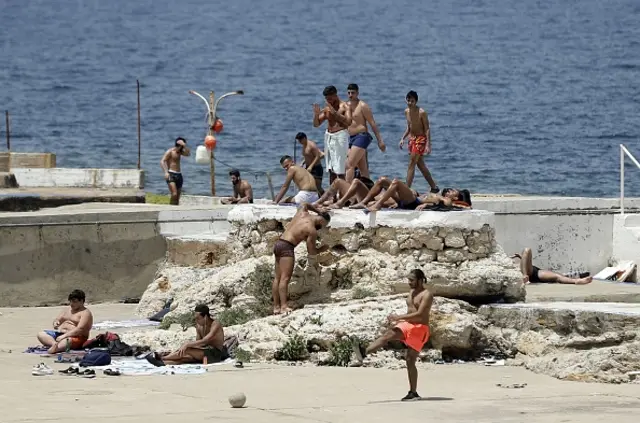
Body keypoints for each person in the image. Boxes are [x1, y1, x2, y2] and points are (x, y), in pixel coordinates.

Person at [351, 269, 434, 401]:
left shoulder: (427, 295)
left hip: (420, 329)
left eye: (412, 280)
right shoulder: (412, 292)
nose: (409, 283)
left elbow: (420, 314)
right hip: (409, 325)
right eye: (408, 280)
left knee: (410, 360)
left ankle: (413, 393)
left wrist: (399, 317)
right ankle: (364, 352)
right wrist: (399, 319)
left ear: (420, 280)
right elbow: (411, 310)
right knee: (389, 334)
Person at [272, 202, 331, 315]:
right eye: (323, 225)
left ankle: (276, 307)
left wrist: (318, 210)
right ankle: (284, 306)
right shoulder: (311, 230)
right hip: (287, 248)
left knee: (277, 278)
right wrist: (322, 249)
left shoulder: (302, 213)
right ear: (322, 221)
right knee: (285, 279)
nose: (321, 228)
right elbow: (311, 251)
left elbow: (305, 203)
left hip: (279, 243)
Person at [146, 304, 228, 366]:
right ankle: (163, 363)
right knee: (184, 357)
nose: (196, 320)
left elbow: (206, 340)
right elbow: (198, 342)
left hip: (215, 353)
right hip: (204, 351)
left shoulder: (215, 324)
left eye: (198, 318)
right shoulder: (199, 326)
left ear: (205, 317)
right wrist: (186, 349)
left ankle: (162, 358)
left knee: (187, 349)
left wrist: (188, 345)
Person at [399, 91, 439, 193]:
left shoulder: (422, 112)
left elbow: (427, 129)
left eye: (412, 101)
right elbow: (409, 127)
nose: (410, 103)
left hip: (421, 139)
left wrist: (428, 145)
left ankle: (406, 189)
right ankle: (434, 187)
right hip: (412, 139)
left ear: (416, 101)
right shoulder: (406, 112)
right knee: (420, 165)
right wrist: (403, 138)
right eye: (408, 100)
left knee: (412, 163)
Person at [346, 83, 386, 182]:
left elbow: (372, 123)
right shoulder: (346, 106)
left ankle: (346, 191)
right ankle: (368, 191)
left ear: (357, 93)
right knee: (363, 168)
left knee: (349, 165)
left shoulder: (363, 106)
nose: (351, 95)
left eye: (353, 93)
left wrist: (380, 141)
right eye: (349, 93)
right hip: (351, 138)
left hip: (362, 136)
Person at [313, 85, 352, 184]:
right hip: (329, 137)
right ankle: (334, 196)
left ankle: (343, 195)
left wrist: (334, 112)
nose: (328, 100)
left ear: (335, 95)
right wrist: (316, 114)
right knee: (331, 169)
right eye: (326, 99)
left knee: (340, 169)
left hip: (340, 136)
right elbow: (316, 124)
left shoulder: (345, 106)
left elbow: (349, 122)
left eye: (330, 98)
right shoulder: (327, 108)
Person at [36, 289, 93, 354]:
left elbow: (80, 329)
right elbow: (57, 319)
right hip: (61, 334)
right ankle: (54, 344)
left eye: (74, 301)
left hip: (76, 337)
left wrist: (64, 336)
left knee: (67, 341)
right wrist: (56, 323)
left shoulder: (85, 313)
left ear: (81, 301)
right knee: (41, 334)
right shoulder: (67, 309)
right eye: (70, 301)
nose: (71, 304)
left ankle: (56, 348)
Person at [512, 248, 593, 285]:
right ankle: (576, 280)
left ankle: (575, 278)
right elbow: (527, 251)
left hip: (533, 271)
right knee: (526, 250)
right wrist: (525, 274)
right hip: (530, 273)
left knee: (558, 276)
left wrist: (520, 258)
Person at [161, 137, 191, 205]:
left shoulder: (180, 152)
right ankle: (170, 209)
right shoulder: (170, 151)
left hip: (179, 175)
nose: (183, 147)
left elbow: (188, 154)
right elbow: (162, 161)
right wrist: (165, 172)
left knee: (177, 197)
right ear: (179, 145)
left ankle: (175, 211)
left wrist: (185, 146)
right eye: (182, 145)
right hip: (171, 174)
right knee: (174, 194)